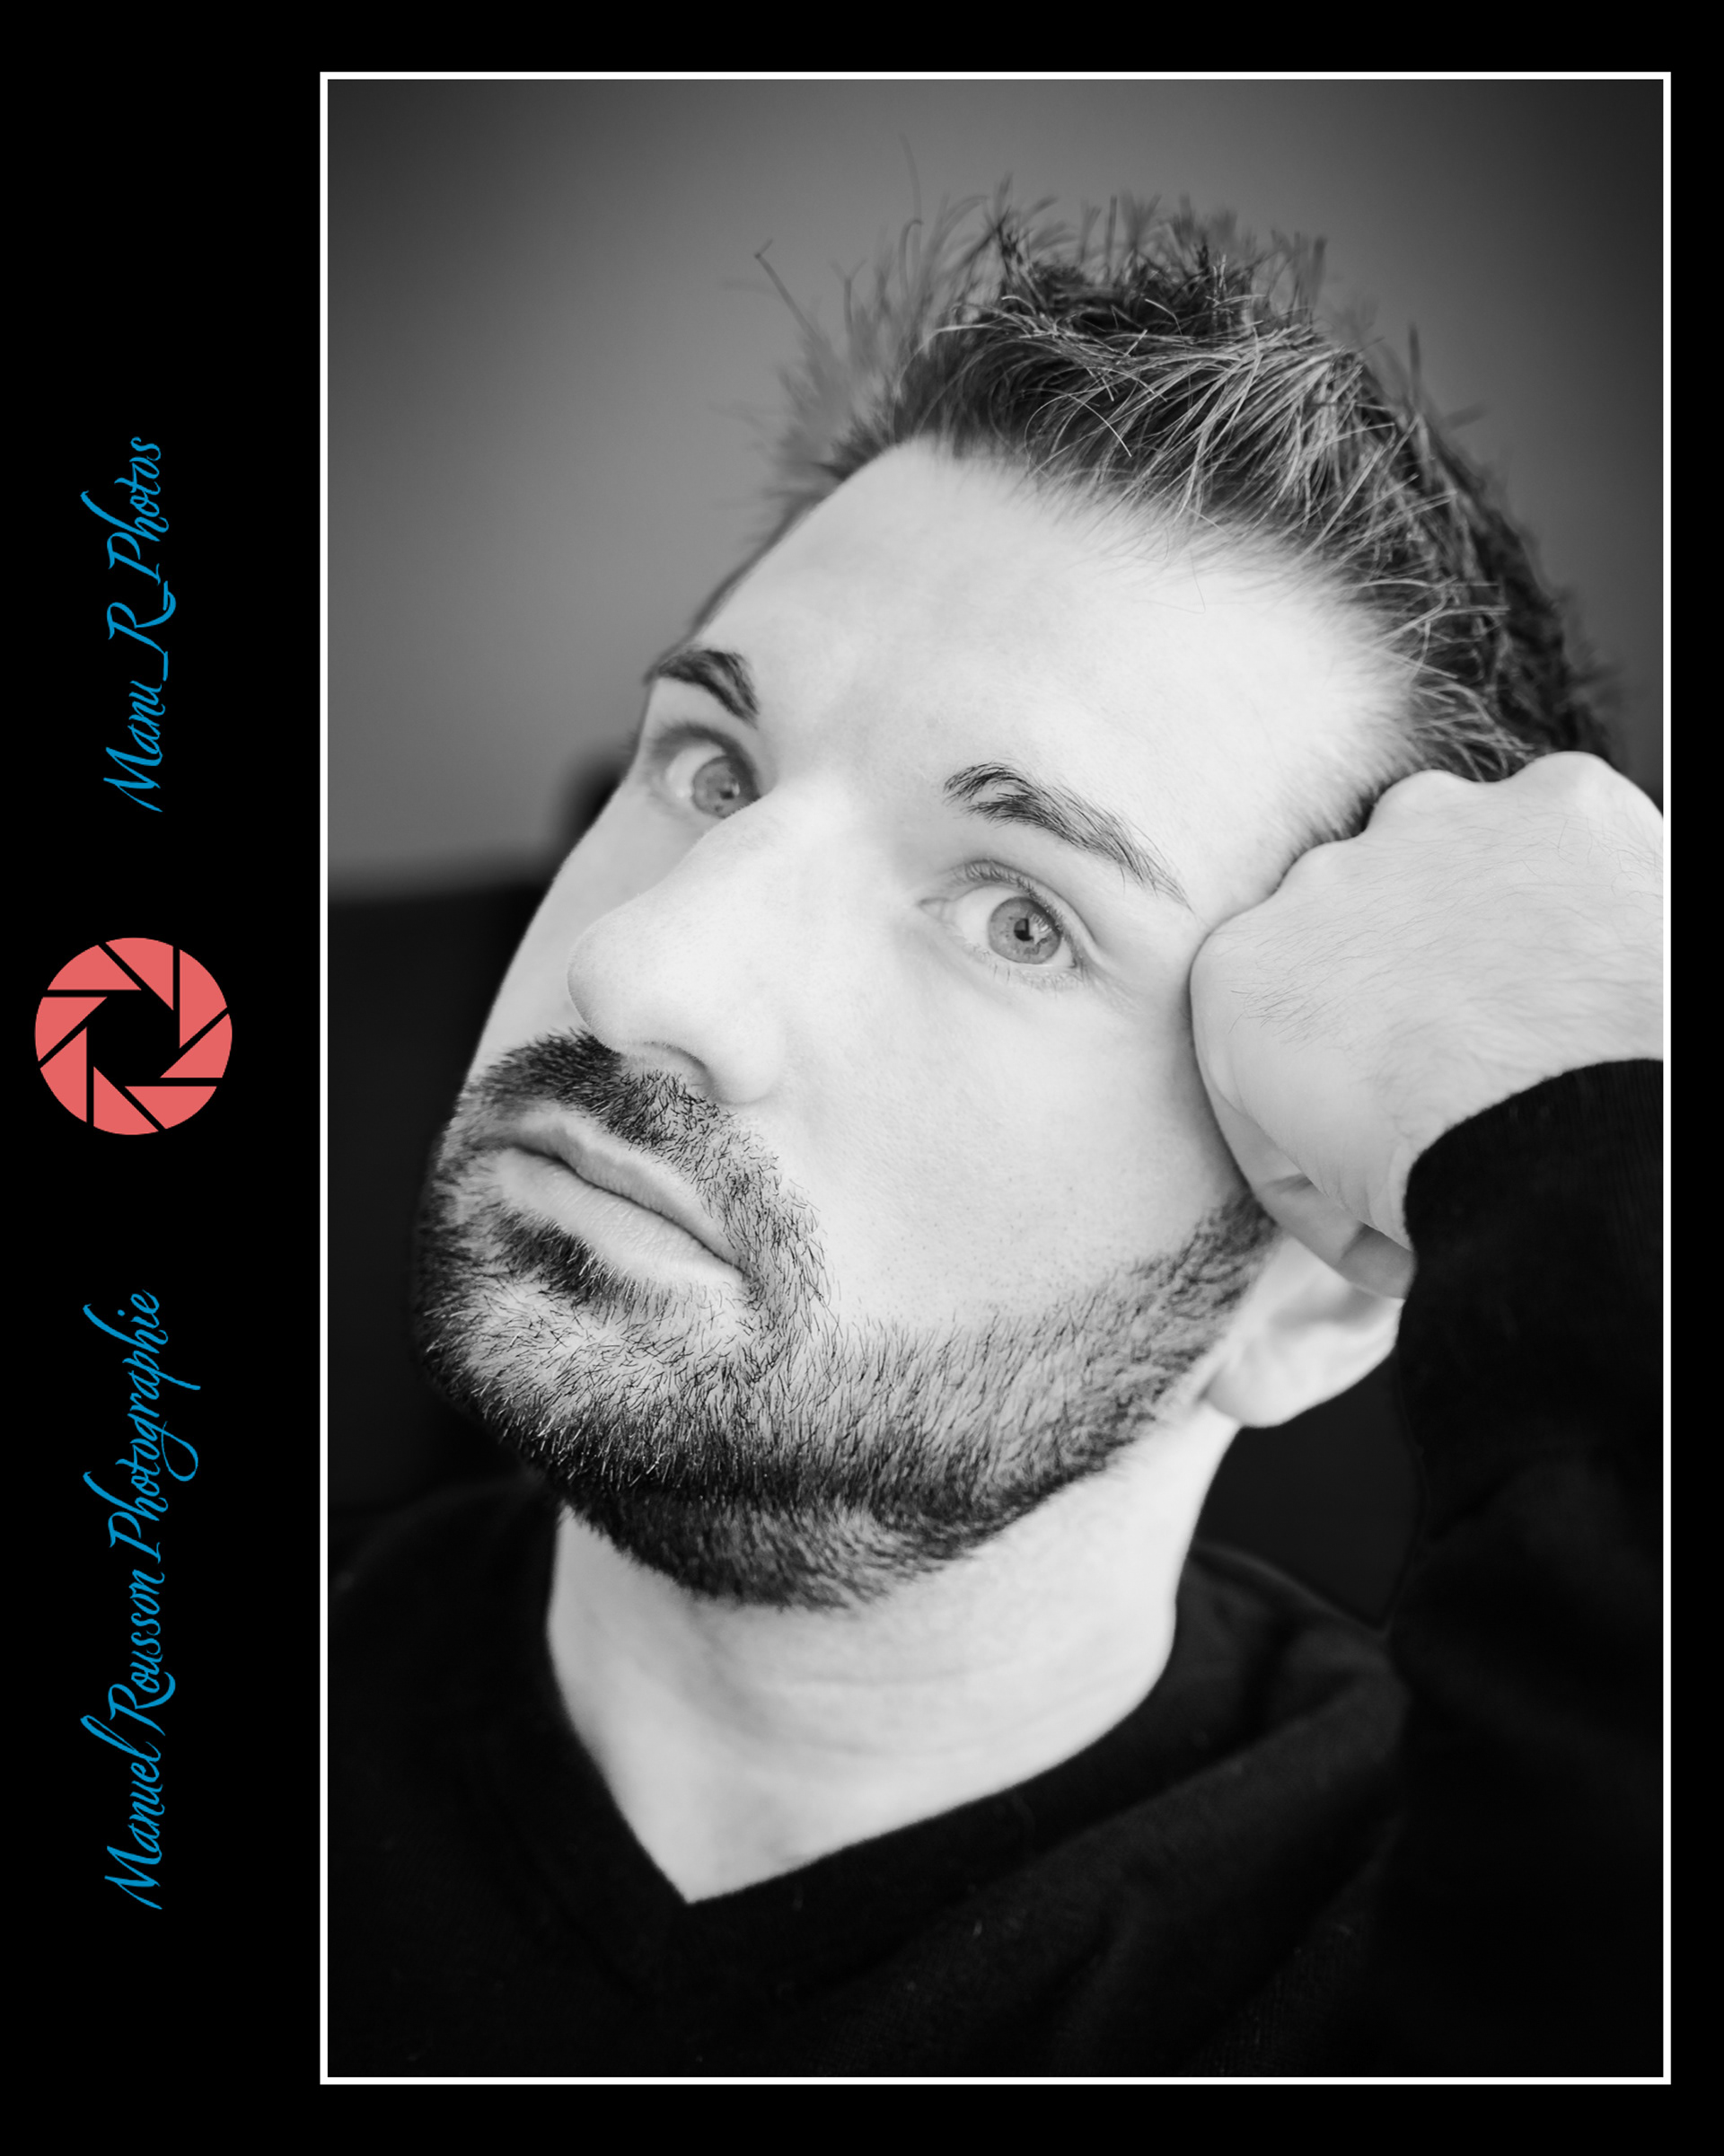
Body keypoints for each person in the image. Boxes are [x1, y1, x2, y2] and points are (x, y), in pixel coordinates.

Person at [329, 201, 1663, 2076]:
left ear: (1307, 1299)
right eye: (712, 766)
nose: (644, 969)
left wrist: (1592, 1109)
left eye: (1021, 914)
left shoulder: (1497, 1952)